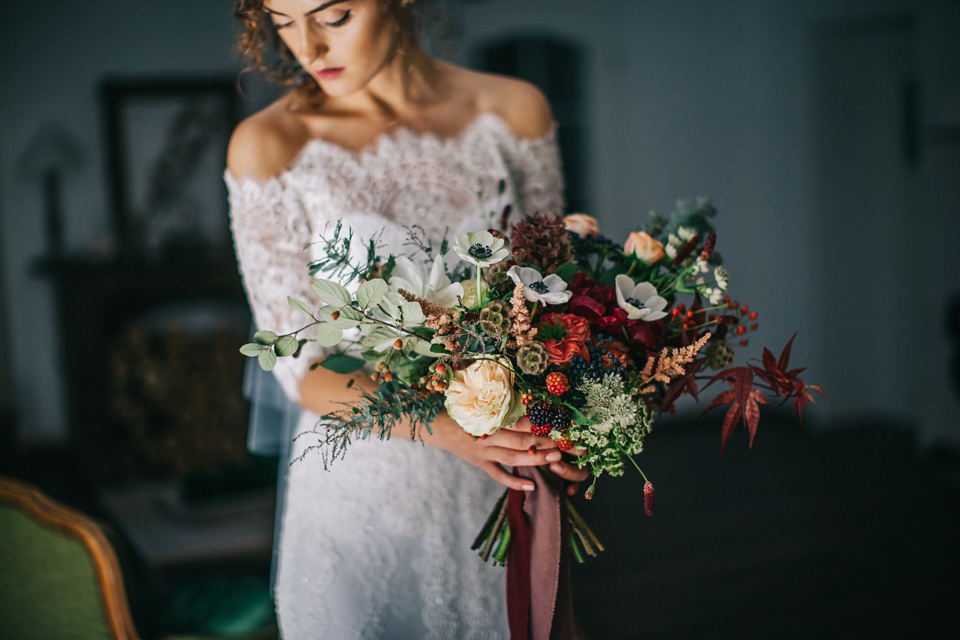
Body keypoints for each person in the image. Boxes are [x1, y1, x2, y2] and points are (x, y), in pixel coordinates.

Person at [226, 1, 588, 637]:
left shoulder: (513, 112)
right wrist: (450, 429)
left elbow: (549, 299)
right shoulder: (268, 145)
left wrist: (574, 425)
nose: (307, 47)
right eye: (282, 21)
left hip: (500, 476)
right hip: (366, 481)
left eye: (332, 15)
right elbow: (299, 368)